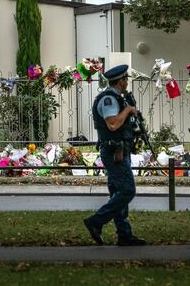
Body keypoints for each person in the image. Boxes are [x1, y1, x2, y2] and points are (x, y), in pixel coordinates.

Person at [83, 64, 147, 246]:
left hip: (119, 150)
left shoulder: (118, 97)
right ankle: (96, 221)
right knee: (127, 191)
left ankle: (124, 234)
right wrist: (128, 110)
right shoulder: (108, 99)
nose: (127, 82)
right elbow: (112, 124)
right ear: (120, 81)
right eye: (126, 79)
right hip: (114, 152)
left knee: (118, 194)